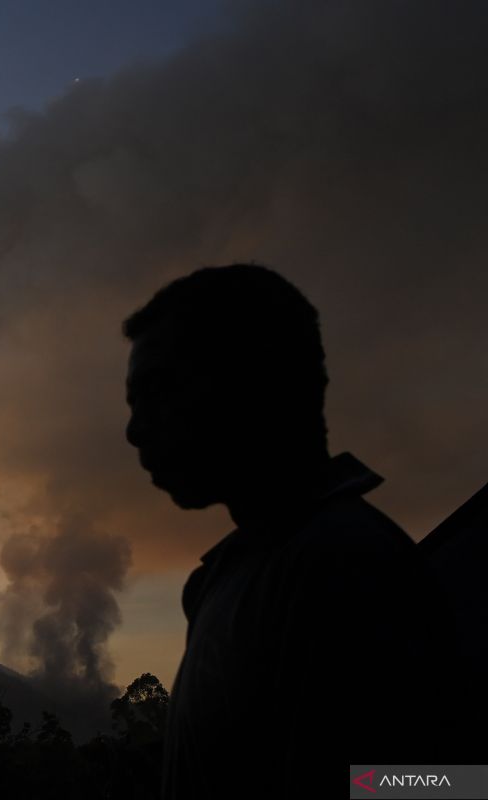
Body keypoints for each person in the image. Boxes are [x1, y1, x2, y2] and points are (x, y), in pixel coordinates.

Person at [122, 265, 459, 799]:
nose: (135, 430)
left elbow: (440, 783)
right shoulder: (240, 573)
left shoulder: (344, 569)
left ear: (254, 377)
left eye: (158, 390)